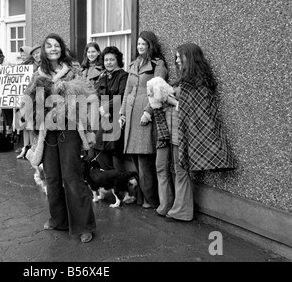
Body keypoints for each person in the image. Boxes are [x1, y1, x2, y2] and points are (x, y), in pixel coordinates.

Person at [23, 33, 97, 243]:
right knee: (52, 178)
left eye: (57, 45)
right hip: (47, 131)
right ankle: (59, 220)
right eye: (49, 46)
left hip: (70, 127)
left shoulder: (73, 70)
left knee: (72, 176)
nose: (53, 49)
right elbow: (30, 102)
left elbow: (88, 97)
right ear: (43, 51)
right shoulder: (38, 74)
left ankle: (84, 226)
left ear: (62, 48)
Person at [154, 43, 236, 221]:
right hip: (177, 129)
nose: (176, 60)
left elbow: (198, 110)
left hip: (188, 133)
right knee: (179, 169)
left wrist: (173, 101)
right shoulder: (185, 79)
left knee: (181, 170)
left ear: (189, 58)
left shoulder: (199, 82)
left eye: (178, 56)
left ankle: (182, 211)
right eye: (175, 57)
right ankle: (180, 209)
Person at [119, 31, 168, 209]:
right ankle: (141, 198)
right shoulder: (134, 64)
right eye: (138, 44)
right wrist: (122, 113)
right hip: (132, 116)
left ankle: (151, 200)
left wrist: (148, 112)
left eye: (143, 44)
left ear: (150, 45)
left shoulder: (158, 64)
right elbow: (127, 91)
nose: (140, 47)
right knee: (135, 158)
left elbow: (158, 90)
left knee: (145, 160)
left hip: (145, 115)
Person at [91, 46, 128, 171]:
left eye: (112, 60)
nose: (109, 63)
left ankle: (117, 185)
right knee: (98, 149)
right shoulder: (103, 76)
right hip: (101, 119)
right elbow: (95, 94)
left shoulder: (123, 76)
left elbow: (122, 96)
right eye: (106, 60)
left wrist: (106, 107)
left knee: (114, 153)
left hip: (115, 118)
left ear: (117, 60)